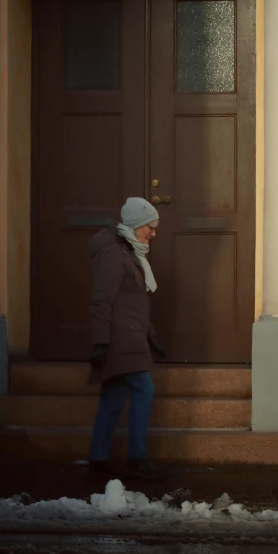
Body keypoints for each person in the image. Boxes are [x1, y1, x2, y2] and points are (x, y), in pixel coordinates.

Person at [88, 197, 166, 480]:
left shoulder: (130, 253)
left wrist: (152, 336)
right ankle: (137, 457)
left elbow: (135, 304)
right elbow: (101, 301)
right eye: (150, 227)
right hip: (120, 340)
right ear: (135, 225)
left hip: (130, 338)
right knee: (144, 389)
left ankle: (97, 457)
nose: (153, 233)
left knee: (114, 396)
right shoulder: (114, 255)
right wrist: (100, 341)